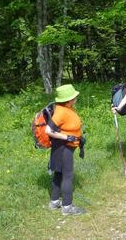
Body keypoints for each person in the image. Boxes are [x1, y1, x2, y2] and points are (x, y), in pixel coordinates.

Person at [45, 84, 85, 215]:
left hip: (62, 147)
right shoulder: (61, 112)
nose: (76, 98)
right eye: (74, 97)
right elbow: (48, 130)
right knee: (67, 176)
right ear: (68, 100)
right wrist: (67, 137)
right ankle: (67, 207)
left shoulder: (67, 108)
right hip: (63, 148)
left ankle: (54, 202)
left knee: (59, 173)